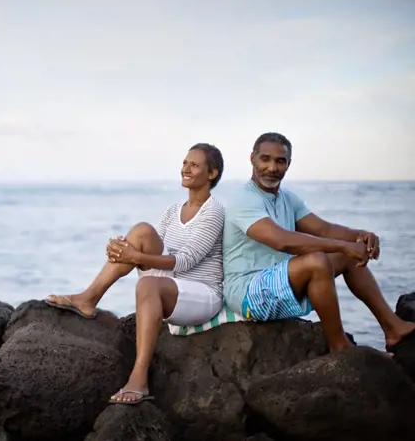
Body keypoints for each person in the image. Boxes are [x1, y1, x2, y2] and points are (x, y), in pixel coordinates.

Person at [45, 143, 226, 405]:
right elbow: (153, 253)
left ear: (212, 173)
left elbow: (186, 261)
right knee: (141, 231)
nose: (185, 169)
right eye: (185, 163)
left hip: (201, 292)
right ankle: (88, 299)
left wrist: (136, 257)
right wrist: (122, 250)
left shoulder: (214, 211)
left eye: (194, 165)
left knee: (147, 285)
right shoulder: (171, 212)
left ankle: (139, 378)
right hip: (171, 282)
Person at [222, 132, 415, 353]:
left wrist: (359, 235)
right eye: (265, 159)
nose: (272, 167)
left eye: (280, 161)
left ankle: (392, 328)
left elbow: (325, 229)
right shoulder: (244, 199)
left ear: (288, 164)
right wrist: (343, 245)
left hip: (280, 284)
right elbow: (282, 241)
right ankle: (339, 345)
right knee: (317, 261)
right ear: (252, 159)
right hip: (248, 294)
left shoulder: (287, 198)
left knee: (346, 257)